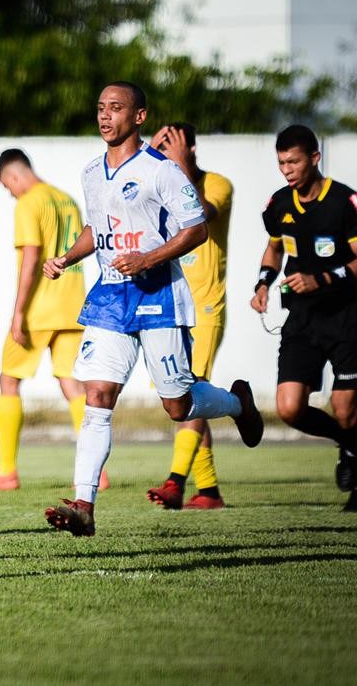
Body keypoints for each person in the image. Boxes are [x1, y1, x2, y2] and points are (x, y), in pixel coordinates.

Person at [42, 82, 262, 537]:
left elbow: (197, 228)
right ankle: (84, 503)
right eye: (101, 107)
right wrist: (67, 256)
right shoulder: (90, 172)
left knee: (177, 406)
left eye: (116, 108)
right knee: (97, 397)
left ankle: (238, 402)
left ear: (139, 117)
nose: (105, 116)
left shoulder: (161, 171)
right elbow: (96, 226)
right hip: (110, 297)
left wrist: (147, 258)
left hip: (159, 294)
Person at [251, 124, 357, 512]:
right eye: (281, 163)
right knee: (289, 408)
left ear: (314, 158)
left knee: (346, 410)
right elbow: (274, 249)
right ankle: (346, 442)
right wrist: (262, 284)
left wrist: (319, 278)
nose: (287, 169)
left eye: (294, 161)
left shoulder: (345, 201)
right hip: (301, 320)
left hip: (345, 317)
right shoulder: (278, 205)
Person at [0, 148, 102, 492]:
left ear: (13, 175)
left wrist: (18, 312)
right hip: (73, 306)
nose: (10, 192)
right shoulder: (65, 199)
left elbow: (32, 255)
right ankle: (96, 470)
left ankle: (7, 470)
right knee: (73, 386)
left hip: (40, 309)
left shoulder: (29, 203)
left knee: (9, 381)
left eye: (7, 186)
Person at [146, 123, 234, 510]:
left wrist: (179, 166)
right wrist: (148, 160)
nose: (166, 153)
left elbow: (199, 215)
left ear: (192, 149)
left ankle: (176, 480)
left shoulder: (218, 184)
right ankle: (209, 489)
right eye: (161, 147)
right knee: (186, 397)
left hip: (207, 306)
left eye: (173, 147)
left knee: (190, 389)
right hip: (171, 305)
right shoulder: (160, 182)